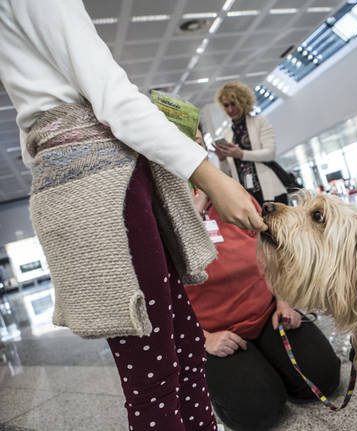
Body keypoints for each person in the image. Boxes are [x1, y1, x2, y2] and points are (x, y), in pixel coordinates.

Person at [0, 1, 265, 430]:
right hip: (107, 187)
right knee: (157, 378)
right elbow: (114, 100)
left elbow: (32, 116)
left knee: (181, 352)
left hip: (88, 181)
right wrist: (212, 178)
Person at [186, 181, 341, 431]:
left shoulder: (234, 197)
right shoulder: (163, 212)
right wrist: (203, 340)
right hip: (216, 335)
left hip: (268, 313)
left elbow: (272, 252)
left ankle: (269, 364)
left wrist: (284, 303)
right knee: (257, 413)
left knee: (325, 378)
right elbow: (158, 297)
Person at [213, 81, 289, 206]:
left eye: (233, 104)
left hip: (271, 191)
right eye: (226, 105)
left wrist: (241, 154)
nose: (230, 109)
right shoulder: (227, 135)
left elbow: (270, 154)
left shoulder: (260, 121)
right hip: (247, 198)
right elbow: (228, 175)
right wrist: (222, 159)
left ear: (243, 102)